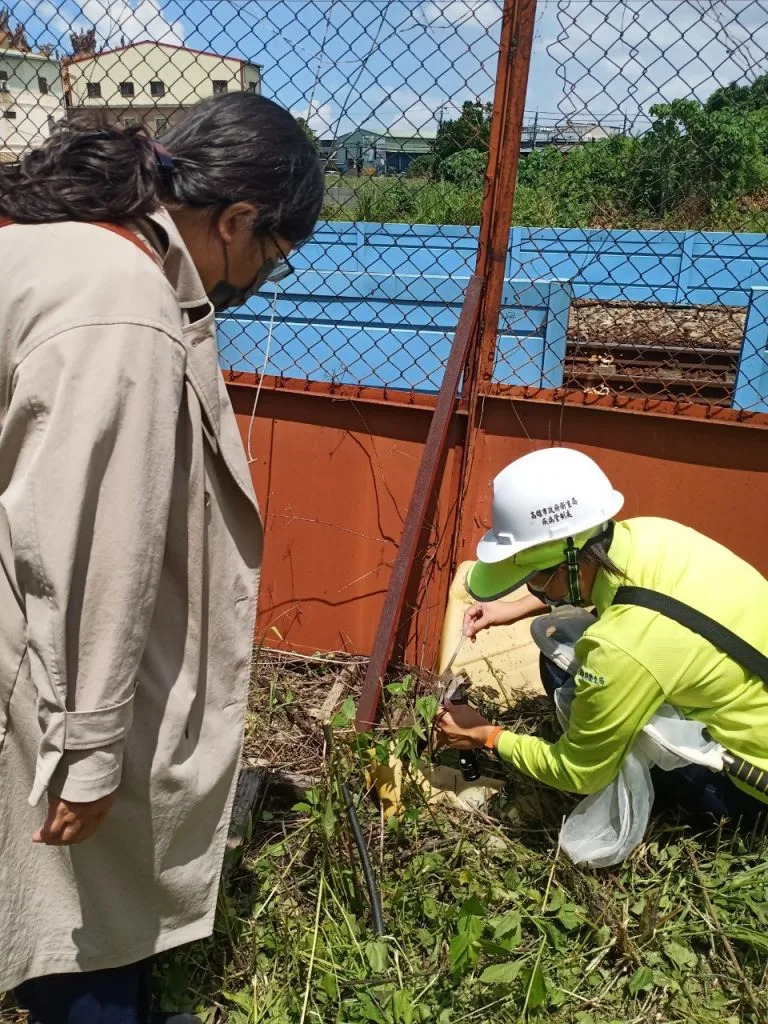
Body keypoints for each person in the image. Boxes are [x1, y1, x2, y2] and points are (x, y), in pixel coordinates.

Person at [0, 94, 323, 1023]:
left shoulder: (58, 243)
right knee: (77, 908)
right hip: (45, 664)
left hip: (24, 637)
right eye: (274, 252)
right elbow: (90, 543)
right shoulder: (125, 304)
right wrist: (89, 749)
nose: (265, 274)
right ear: (235, 220)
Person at [436, 447, 768, 826]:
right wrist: (509, 610)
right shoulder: (651, 533)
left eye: (534, 576)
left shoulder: (620, 648)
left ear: (574, 562)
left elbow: (581, 774)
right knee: (563, 639)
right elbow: (631, 594)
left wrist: (487, 735)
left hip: (751, 785)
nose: (530, 586)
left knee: (566, 670)